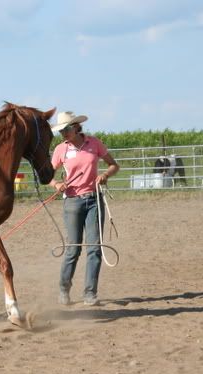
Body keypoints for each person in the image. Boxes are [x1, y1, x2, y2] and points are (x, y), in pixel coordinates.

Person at [48, 111, 120, 306]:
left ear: (76, 127)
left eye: (66, 129)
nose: (63, 133)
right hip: (72, 202)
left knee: (94, 248)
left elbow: (114, 165)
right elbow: (47, 174)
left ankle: (90, 293)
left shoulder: (94, 143)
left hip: (94, 200)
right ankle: (64, 289)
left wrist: (104, 175)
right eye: (61, 131)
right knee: (73, 249)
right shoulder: (60, 150)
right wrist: (56, 185)